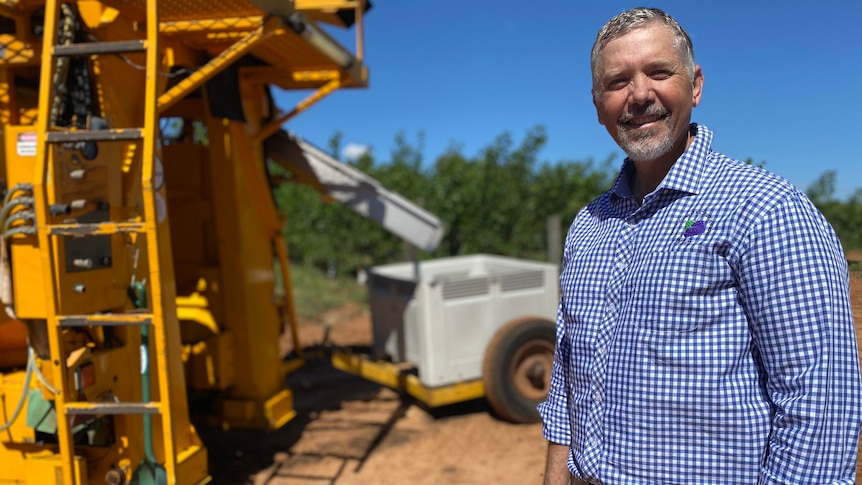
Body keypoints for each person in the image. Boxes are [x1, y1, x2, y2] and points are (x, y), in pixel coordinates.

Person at [538, 7, 862, 485]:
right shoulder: (589, 225)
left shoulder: (766, 208)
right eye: (617, 82)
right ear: (597, 104)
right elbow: (569, 374)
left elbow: (819, 401)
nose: (639, 94)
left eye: (659, 72)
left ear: (696, 86)